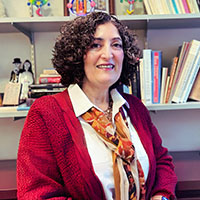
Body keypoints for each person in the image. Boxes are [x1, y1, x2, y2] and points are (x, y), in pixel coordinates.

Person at [17, 12, 177, 200]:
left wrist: (161, 196)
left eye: (116, 45)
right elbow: (36, 194)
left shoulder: (134, 107)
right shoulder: (46, 113)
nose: (108, 54)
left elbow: (162, 162)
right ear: (77, 54)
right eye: (95, 45)